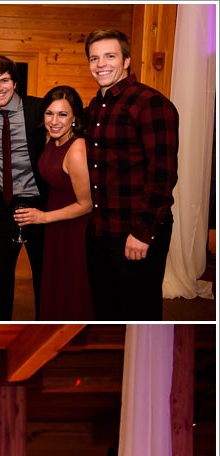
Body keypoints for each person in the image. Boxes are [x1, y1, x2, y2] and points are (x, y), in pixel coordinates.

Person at [83, 28, 178, 320]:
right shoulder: (95, 106)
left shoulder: (150, 103)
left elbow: (162, 173)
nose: (101, 64)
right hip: (101, 230)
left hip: (135, 231)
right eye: (94, 58)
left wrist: (142, 232)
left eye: (110, 56)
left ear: (126, 61)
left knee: (139, 313)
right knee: (105, 312)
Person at [0, 55, 46, 319]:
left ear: (15, 82)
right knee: (0, 276)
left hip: (39, 204)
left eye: (4, 80)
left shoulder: (39, 109)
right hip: (2, 206)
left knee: (43, 274)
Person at [13, 87, 92, 319]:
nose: (54, 121)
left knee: (72, 291)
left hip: (74, 228)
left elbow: (86, 204)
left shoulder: (76, 149)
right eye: (49, 114)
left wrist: (43, 217)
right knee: (55, 286)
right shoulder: (53, 140)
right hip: (56, 225)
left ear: (75, 117)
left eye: (62, 115)